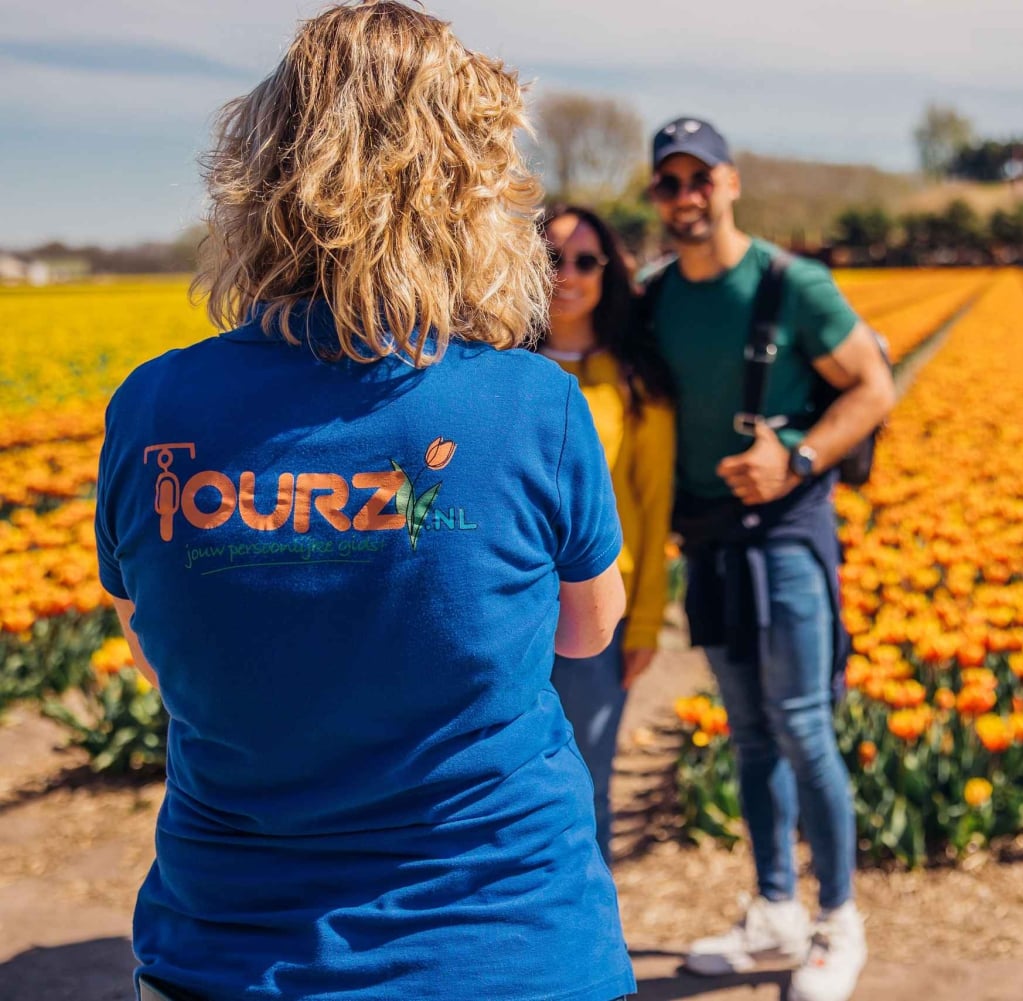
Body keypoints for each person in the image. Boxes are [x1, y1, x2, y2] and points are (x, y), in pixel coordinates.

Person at [93, 4, 635, 1000]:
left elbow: (162, 655)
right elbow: (589, 630)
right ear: (471, 188)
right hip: (502, 944)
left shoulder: (155, 405)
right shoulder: (532, 405)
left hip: (229, 949)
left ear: (259, 174)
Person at [642, 116, 896, 1001]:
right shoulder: (657, 297)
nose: (686, 196)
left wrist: (793, 455)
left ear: (731, 182)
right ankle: (777, 907)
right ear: (656, 198)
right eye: (669, 183)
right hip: (709, 539)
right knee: (749, 733)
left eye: (699, 178)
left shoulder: (794, 286)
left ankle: (840, 921)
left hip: (788, 528)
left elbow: (874, 384)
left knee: (801, 721)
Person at [539, 204, 676, 865]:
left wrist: (646, 621)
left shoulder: (634, 382)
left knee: (585, 776)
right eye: (552, 256)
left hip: (599, 610)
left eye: (585, 260)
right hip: (506, 609)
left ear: (608, 273)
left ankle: (583, 941)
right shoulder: (497, 366)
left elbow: (654, 510)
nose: (567, 273)